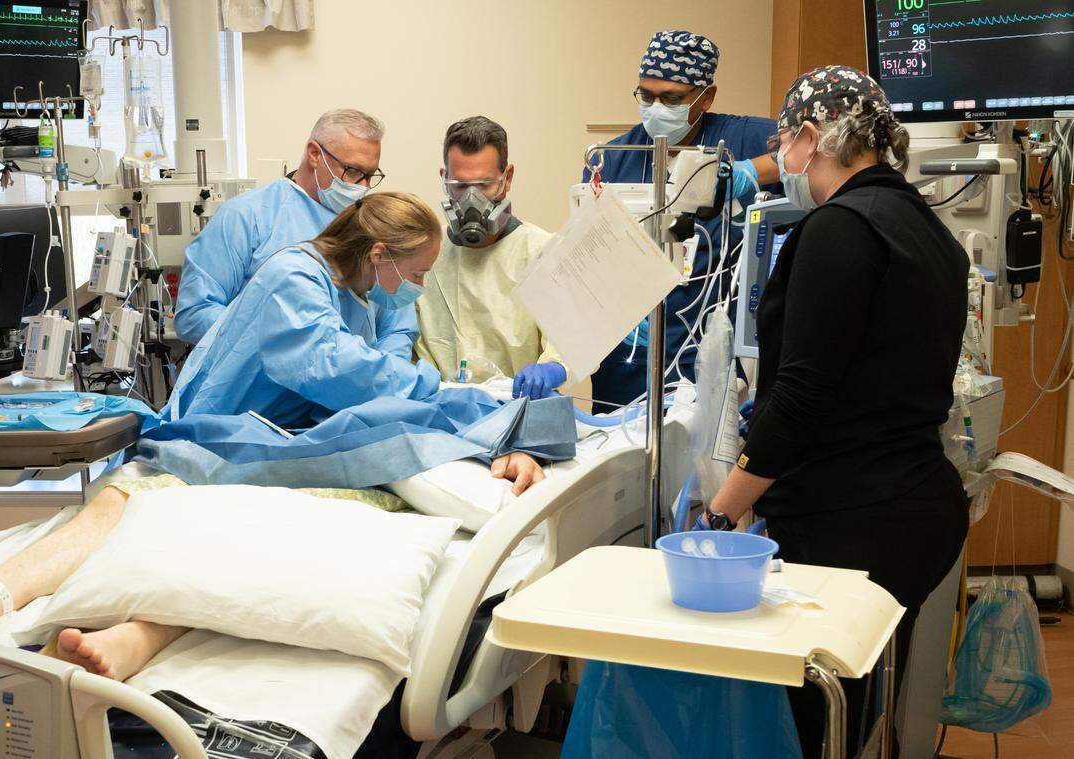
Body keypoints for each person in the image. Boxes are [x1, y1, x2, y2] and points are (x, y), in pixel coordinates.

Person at [0, 193, 545, 682]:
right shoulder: (295, 277)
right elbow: (335, 368)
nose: (417, 286)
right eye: (415, 274)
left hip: (278, 444)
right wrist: (439, 392)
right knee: (124, 502)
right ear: (380, 254)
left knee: (253, 547)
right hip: (213, 437)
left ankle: (136, 636)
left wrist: (475, 415)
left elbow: (378, 363)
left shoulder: (358, 293)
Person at [701, 66, 970, 757]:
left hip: (853, 520)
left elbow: (801, 397)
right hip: (918, 511)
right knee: (856, 712)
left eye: (783, 144)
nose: (783, 161)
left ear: (810, 136)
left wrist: (722, 512)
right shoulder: (928, 231)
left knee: (809, 724)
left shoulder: (838, 228)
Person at [585, 30, 781, 408]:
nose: (656, 107)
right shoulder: (614, 159)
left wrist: (749, 172)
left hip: (709, 355)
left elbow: (819, 147)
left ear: (706, 97)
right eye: (646, 96)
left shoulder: (743, 138)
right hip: (629, 364)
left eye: (672, 98)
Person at [174, 108, 387, 345]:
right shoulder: (246, 216)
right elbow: (194, 314)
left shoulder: (372, 225)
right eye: (353, 171)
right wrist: (278, 343)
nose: (363, 186)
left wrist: (384, 364)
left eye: (370, 175)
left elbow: (396, 325)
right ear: (315, 154)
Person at [415, 116, 568, 400]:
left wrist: (554, 367)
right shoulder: (424, 257)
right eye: (460, 186)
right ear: (444, 179)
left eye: (484, 185)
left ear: (507, 178)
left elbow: (567, 339)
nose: (471, 199)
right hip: (441, 411)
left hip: (517, 407)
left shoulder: (542, 251)